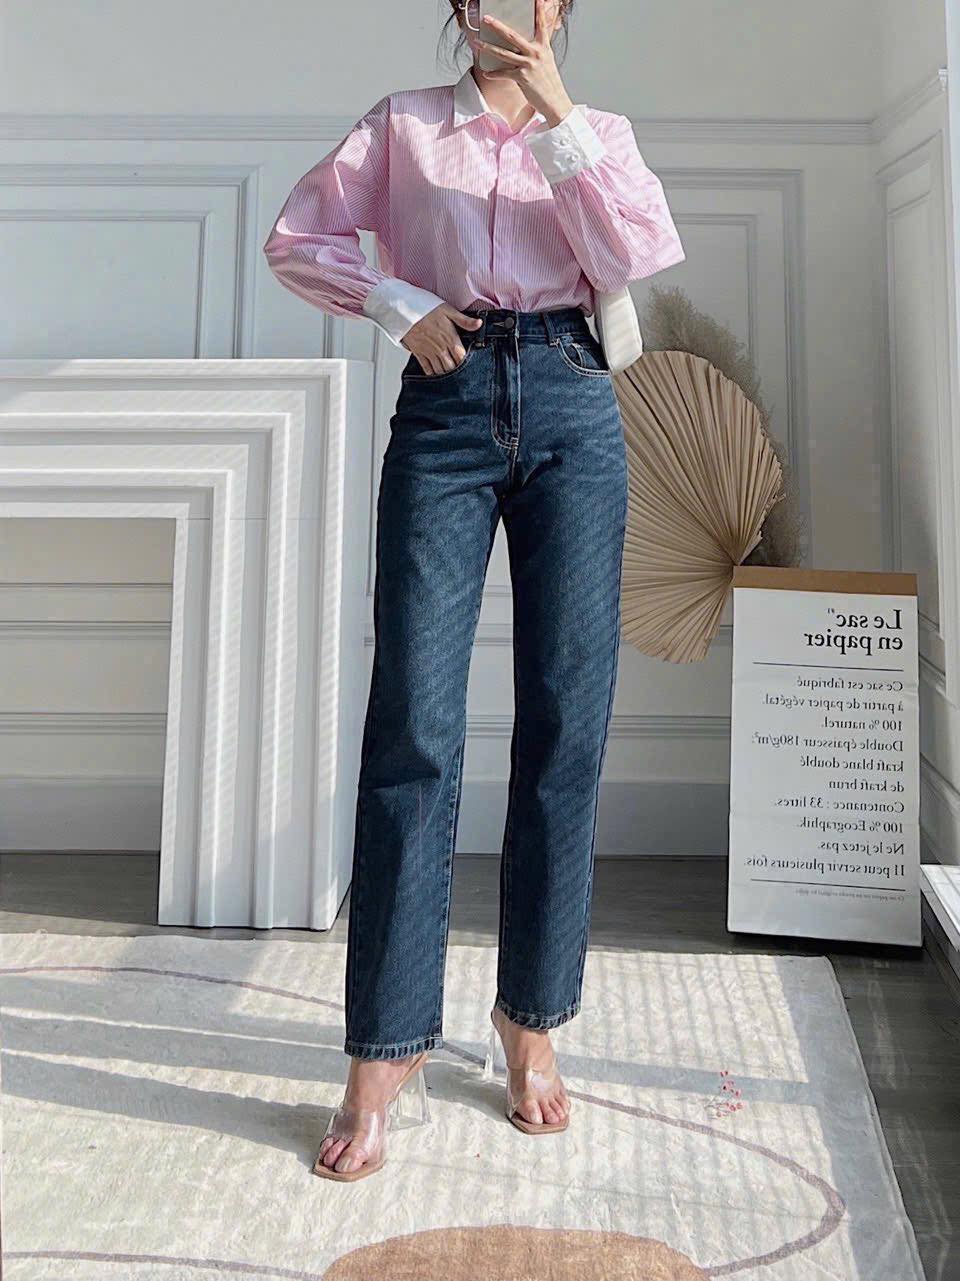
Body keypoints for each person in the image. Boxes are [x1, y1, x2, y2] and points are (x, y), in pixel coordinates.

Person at [262, 0, 684, 1180]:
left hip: (575, 403)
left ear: (561, 9)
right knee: (414, 723)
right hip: (446, 410)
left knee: (566, 718)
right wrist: (400, 308)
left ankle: (530, 1021)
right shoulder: (402, 128)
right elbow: (299, 238)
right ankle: (384, 1047)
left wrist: (556, 114)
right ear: (461, 8)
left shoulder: (598, 129)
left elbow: (635, 253)